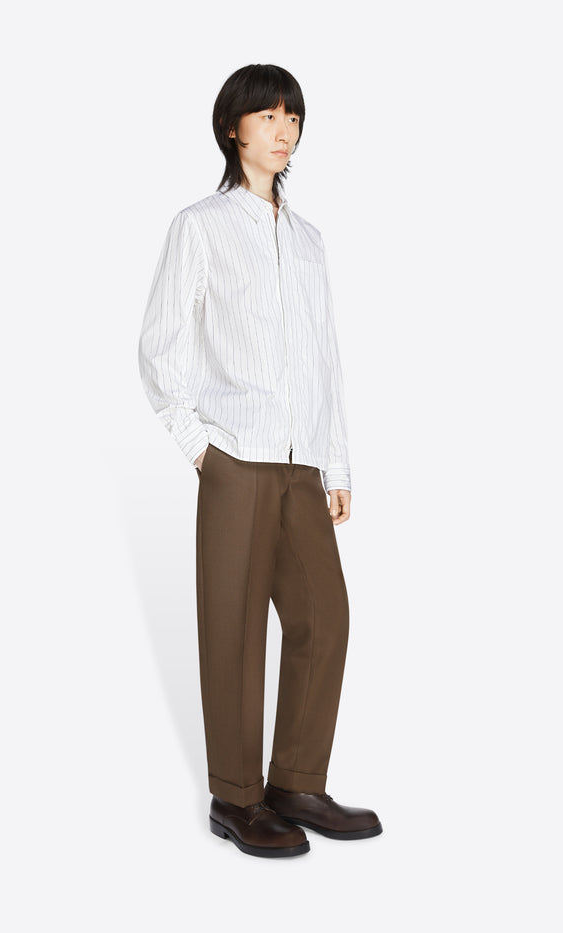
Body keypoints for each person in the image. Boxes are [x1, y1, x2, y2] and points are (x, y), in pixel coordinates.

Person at [138, 63, 382, 858]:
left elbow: (324, 359)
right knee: (235, 630)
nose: (284, 131)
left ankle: (296, 782)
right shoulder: (201, 226)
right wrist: (201, 450)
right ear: (232, 128)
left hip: (301, 461)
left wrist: (335, 465)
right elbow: (159, 348)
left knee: (324, 616)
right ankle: (236, 797)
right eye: (269, 116)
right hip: (235, 458)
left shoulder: (309, 240)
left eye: (293, 118)